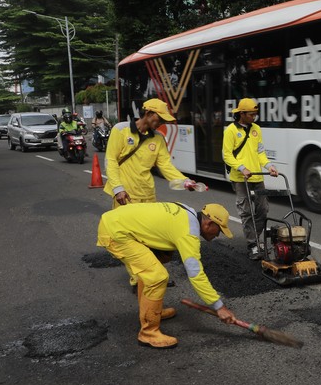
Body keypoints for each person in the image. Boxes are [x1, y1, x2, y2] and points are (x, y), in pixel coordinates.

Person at [96, 202, 238, 348]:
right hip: (117, 233)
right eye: (219, 230)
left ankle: (152, 312)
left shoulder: (187, 211)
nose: (217, 235)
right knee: (157, 277)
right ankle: (148, 333)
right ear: (208, 224)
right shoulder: (189, 232)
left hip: (117, 223)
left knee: (158, 261)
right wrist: (219, 307)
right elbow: (195, 273)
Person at [104, 98, 195, 290]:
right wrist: (117, 188)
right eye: (159, 118)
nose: (161, 122)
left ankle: (153, 273)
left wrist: (184, 181)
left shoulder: (158, 139)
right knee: (130, 239)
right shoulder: (120, 130)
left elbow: (165, 165)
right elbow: (111, 160)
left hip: (147, 194)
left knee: (148, 237)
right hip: (125, 195)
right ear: (148, 113)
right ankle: (139, 279)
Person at [222, 98, 278, 259]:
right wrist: (242, 168)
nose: (254, 117)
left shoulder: (257, 130)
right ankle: (253, 244)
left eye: (255, 114)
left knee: (263, 209)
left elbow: (260, 152)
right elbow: (226, 155)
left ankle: (254, 237)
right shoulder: (231, 130)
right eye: (251, 114)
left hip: (257, 177)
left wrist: (269, 166)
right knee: (246, 211)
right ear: (242, 114)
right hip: (240, 178)